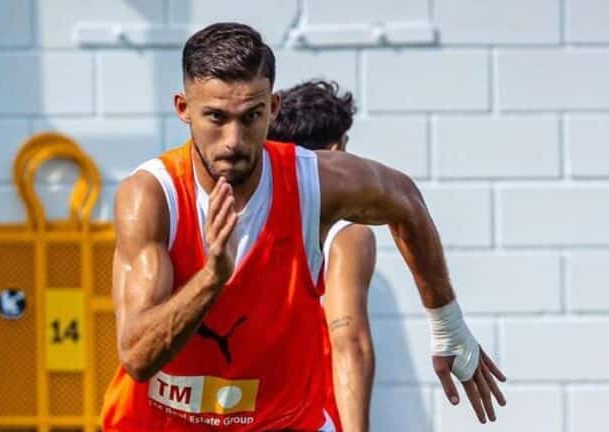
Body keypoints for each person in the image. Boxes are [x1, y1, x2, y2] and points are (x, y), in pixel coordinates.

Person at [101, 22, 506, 432]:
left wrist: (447, 326)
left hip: (282, 421)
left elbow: (406, 201)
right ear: (183, 108)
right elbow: (136, 356)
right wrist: (212, 279)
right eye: (216, 118)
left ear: (273, 108)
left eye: (251, 116)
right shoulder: (154, 197)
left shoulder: (312, 184)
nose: (233, 141)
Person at [268, 79, 375, 431]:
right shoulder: (346, 232)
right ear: (335, 150)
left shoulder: (247, 218)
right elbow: (349, 342)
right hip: (310, 416)